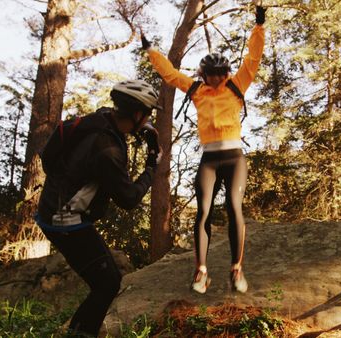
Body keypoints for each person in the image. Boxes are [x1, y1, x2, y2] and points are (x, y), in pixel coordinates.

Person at [141, 2, 266, 294]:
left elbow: (253, 58)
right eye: (211, 75)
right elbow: (171, 75)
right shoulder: (197, 91)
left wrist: (259, 25)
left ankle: (236, 270)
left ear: (225, 73)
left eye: (220, 74)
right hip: (209, 159)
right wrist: (151, 51)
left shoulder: (237, 86)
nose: (217, 79)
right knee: (203, 213)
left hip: (234, 157)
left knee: (234, 207)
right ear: (204, 74)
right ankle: (201, 272)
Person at [35, 80, 162, 337]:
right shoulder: (108, 151)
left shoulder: (101, 118)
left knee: (102, 281)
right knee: (107, 284)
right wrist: (151, 168)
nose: (149, 119)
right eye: (147, 114)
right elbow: (128, 199)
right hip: (66, 221)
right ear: (137, 114)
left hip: (51, 206)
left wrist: (143, 128)